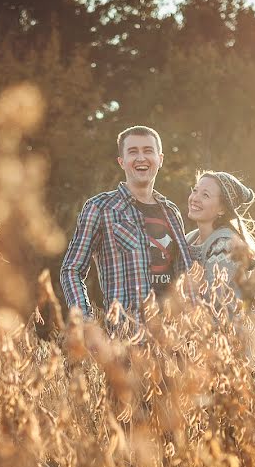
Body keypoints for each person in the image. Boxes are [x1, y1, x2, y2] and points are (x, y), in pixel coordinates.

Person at [60, 125, 196, 331]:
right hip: (128, 340)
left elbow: (183, 276)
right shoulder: (100, 208)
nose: (141, 158)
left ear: (160, 159)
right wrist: (86, 323)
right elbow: (71, 270)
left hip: (176, 339)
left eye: (148, 151)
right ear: (121, 162)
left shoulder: (172, 212)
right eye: (133, 152)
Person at [185, 170, 255, 307]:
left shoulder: (225, 245)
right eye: (195, 190)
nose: (195, 198)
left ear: (222, 209)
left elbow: (214, 299)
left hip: (220, 325)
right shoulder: (190, 238)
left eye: (205, 195)